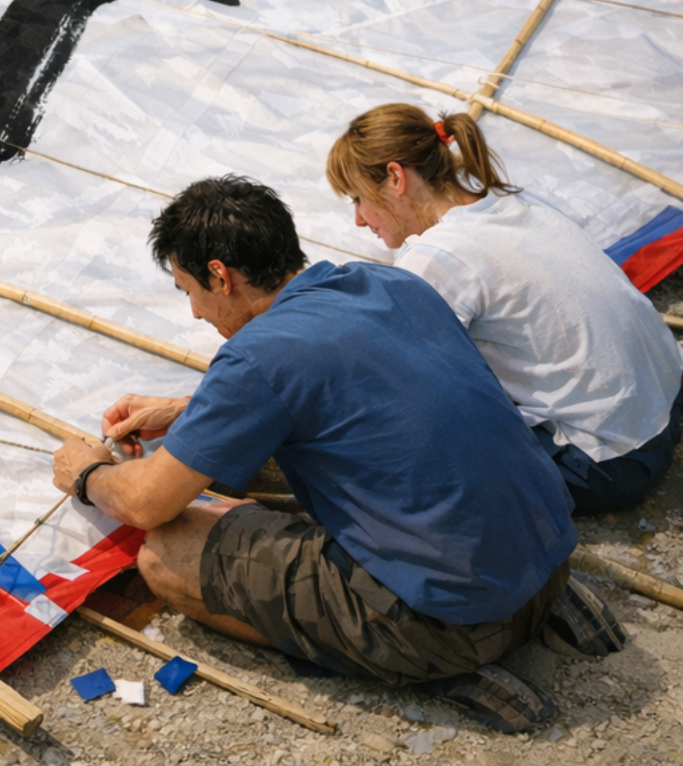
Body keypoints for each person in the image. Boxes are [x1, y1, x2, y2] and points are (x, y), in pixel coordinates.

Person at [51, 176, 616, 732]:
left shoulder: (258, 356)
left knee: (167, 556)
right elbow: (365, 396)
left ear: (220, 276)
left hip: (450, 625)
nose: (196, 312)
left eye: (189, 291)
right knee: (265, 476)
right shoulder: (391, 284)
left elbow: (148, 503)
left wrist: (88, 472)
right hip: (547, 563)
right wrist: (192, 411)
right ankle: (528, 610)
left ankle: (420, 664)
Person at [326, 104, 683, 516]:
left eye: (358, 198)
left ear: (395, 177)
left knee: (406, 446)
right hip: (666, 398)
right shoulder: (511, 199)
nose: (358, 220)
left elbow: (395, 383)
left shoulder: (436, 257)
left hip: (613, 460)